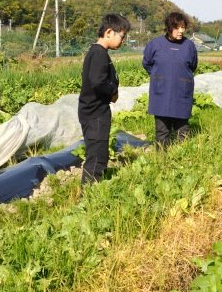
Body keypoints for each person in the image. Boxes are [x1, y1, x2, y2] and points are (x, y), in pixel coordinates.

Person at [78, 13, 131, 184]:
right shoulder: (99, 54)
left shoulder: (98, 52)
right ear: (109, 32)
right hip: (95, 113)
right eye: (121, 37)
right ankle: (89, 195)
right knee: (97, 156)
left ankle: (92, 188)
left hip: (94, 111)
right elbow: (98, 81)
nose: (123, 41)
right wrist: (112, 91)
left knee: (98, 151)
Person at [142, 12, 198, 149]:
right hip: (161, 92)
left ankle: (182, 159)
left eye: (183, 27)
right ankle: (162, 160)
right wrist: (158, 76)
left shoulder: (189, 46)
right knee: (162, 131)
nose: (181, 31)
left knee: (183, 130)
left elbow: (193, 66)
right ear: (169, 27)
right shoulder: (155, 44)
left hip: (182, 92)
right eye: (177, 27)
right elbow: (146, 63)